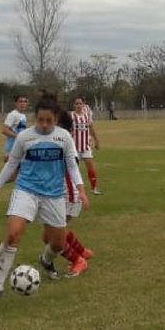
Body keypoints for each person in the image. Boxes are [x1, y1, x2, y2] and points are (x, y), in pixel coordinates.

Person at [0, 94, 88, 303]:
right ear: (35, 118)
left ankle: (46, 260)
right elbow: (11, 165)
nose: (44, 125)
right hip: (26, 191)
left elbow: (72, 166)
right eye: (40, 120)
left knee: (57, 244)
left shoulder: (64, 137)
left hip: (54, 195)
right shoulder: (24, 137)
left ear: (56, 118)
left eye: (49, 120)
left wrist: (81, 191)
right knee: (13, 234)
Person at [57, 108, 94, 278]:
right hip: (61, 193)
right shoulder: (61, 139)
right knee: (58, 230)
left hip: (68, 193)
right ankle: (81, 251)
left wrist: (81, 192)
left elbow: (72, 167)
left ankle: (78, 260)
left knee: (52, 236)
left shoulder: (63, 141)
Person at [71, 96, 101, 194]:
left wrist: (97, 141)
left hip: (85, 146)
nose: (78, 105)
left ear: (83, 104)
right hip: (74, 148)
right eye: (77, 103)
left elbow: (91, 128)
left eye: (80, 103)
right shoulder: (71, 116)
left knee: (90, 166)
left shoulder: (87, 116)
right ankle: (73, 188)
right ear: (74, 105)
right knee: (73, 169)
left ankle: (94, 188)